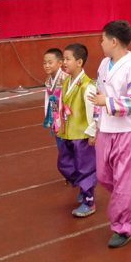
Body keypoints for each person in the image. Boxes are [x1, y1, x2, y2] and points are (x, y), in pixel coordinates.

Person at [87, 20, 131, 248]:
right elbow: (97, 94)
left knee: (124, 180)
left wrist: (108, 102)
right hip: (106, 128)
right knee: (104, 175)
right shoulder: (104, 64)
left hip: (128, 130)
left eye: (102, 39)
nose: (100, 43)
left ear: (113, 41)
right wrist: (95, 123)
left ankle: (122, 227)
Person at [56, 43, 98, 218]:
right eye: (63, 59)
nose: (64, 62)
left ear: (79, 62)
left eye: (67, 59)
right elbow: (61, 103)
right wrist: (58, 122)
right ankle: (84, 185)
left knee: (85, 167)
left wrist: (93, 131)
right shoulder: (67, 81)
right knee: (64, 164)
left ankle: (89, 201)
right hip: (68, 132)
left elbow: (94, 110)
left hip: (82, 134)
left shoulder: (86, 85)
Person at [42, 48, 67, 151]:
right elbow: (47, 99)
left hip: (66, 118)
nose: (47, 66)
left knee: (66, 145)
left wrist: (63, 119)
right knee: (60, 145)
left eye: (50, 63)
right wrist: (50, 117)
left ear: (60, 63)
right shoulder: (49, 79)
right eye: (44, 63)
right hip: (55, 117)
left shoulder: (66, 79)